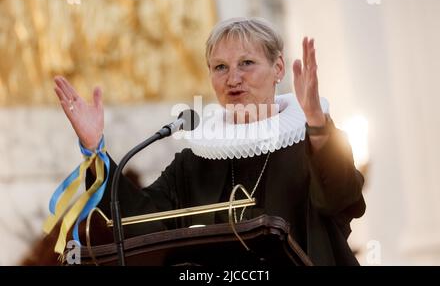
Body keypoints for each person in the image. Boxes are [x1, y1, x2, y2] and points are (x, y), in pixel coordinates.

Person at [52, 17, 365, 265]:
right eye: (220, 67)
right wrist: (96, 149)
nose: (233, 78)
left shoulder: (310, 138)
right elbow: (142, 220)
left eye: (247, 63)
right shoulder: (196, 160)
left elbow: (341, 198)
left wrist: (317, 125)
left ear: (278, 68)